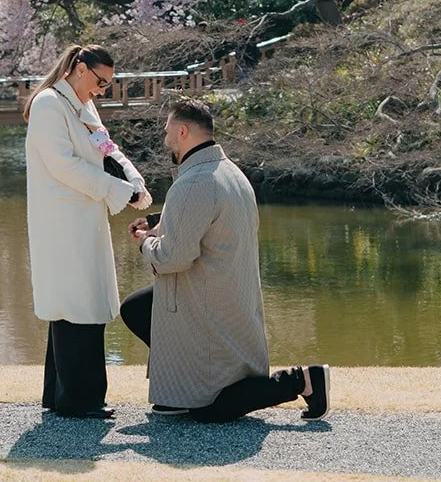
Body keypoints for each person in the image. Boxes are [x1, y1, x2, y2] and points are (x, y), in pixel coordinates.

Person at [120, 97, 329, 423]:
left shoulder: (192, 182)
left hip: (207, 304)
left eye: (167, 133)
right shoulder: (230, 173)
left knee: (212, 410)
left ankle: (303, 380)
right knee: (136, 308)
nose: (165, 140)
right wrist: (159, 221)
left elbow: (174, 258)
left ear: (184, 132)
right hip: (231, 294)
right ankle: (181, 380)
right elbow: (207, 217)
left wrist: (147, 243)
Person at [24, 43, 151, 419]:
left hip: (84, 219)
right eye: (100, 81)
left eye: (107, 85)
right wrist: (117, 190)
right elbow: (63, 166)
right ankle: (79, 399)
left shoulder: (82, 104)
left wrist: (133, 180)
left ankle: (62, 394)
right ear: (80, 69)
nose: (102, 89)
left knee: (81, 303)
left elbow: (106, 148)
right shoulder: (49, 104)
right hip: (63, 224)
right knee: (74, 306)